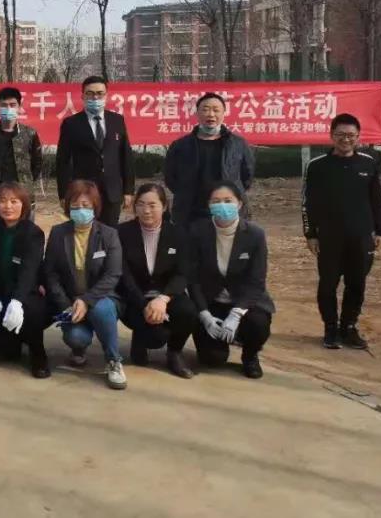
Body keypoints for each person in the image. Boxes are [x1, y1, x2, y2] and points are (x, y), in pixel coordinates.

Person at [303, 113, 381, 350]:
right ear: (332, 135)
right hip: (329, 237)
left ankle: (349, 327)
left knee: (357, 283)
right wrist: (310, 234)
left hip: (361, 237)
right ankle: (330, 328)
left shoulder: (368, 163)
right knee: (327, 285)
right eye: (340, 134)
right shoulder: (317, 166)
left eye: (351, 135)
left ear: (358, 137)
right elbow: (308, 203)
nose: (346, 139)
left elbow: (377, 200)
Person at [44, 180, 127, 390]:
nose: (80, 210)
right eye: (75, 206)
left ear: (95, 207)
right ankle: (79, 348)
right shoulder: (58, 233)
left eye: (86, 205)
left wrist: (86, 300)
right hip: (70, 301)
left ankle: (114, 360)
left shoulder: (109, 234)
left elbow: (113, 274)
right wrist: (65, 304)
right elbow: (50, 273)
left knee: (101, 309)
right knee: (76, 337)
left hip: (101, 298)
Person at [187, 181, 275, 379]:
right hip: (212, 302)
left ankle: (250, 355)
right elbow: (192, 279)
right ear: (209, 205)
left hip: (244, 303)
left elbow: (256, 281)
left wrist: (236, 314)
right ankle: (219, 342)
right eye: (216, 201)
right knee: (212, 360)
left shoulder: (255, 234)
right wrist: (204, 314)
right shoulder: (197, 232)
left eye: (228, 201)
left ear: (239, 203)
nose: (222, 206)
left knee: (258, 323)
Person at [117, 183, 196, 378]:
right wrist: (144, 304)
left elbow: (182, 273)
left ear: (164, 206)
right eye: (141, 204)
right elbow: (124, 275)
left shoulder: (178, 234)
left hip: (166, 295)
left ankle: (174, 353)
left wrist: (163, 298)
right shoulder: (122, 233)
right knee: (154, 338)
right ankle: (140, 339)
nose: (146, 210)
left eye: (152, 205)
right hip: (135, 297)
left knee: (188, 311)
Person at [0, 182, 50, 378]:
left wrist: (17, 301)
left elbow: (29, 271)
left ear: (24, 205)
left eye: (14, 201)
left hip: (26, 293)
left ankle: (38, 355)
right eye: (2, 201)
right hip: (2, 293)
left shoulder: (33, 233)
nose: (7, 206)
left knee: (32, 313)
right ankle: (15, 342)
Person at [164, 92, 254, 227]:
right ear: (197, 113)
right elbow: (171, 177)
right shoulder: (181, 145)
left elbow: (247, 176)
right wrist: (185, 193)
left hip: (226, 210)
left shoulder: (237, 144)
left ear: (224, 113)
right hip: (191, 212)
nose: (211, 114)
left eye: (216, 110)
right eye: (205, 110)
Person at [54, 76, 134, 227]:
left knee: (110, 232)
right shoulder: (71, 124)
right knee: (84, 232)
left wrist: (128, 190)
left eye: (99, 93)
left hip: (112, 191)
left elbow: (126, 156)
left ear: (106, 95)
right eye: (90, 93)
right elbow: (63, 161)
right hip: (83, 192)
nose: (95, 97)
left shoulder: (117, 120)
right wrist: (64, 194)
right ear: (82, 96)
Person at [0, 87, 43, 220]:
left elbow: (37, 164)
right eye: (4, 105)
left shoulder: (30, 134)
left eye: (12, 105)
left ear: (19, 107)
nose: (8, 109)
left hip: (23, 196)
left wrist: (26, 181)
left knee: (26, 232)